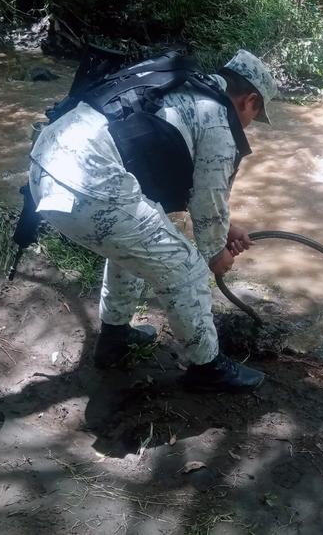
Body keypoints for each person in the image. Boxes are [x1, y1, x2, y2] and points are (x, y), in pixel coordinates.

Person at [28, 49, 278, 392]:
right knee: (186, 268)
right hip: (86, 186)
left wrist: (223, 229)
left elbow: (193, 194)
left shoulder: (182, 87)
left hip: (46, 166)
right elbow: (208, 202)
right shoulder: (218, 118)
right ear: (250, 100)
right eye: (256, 114)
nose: (251, 124)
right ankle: (208, 368)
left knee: (136, 243)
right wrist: (216, 252)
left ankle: (115, 338)